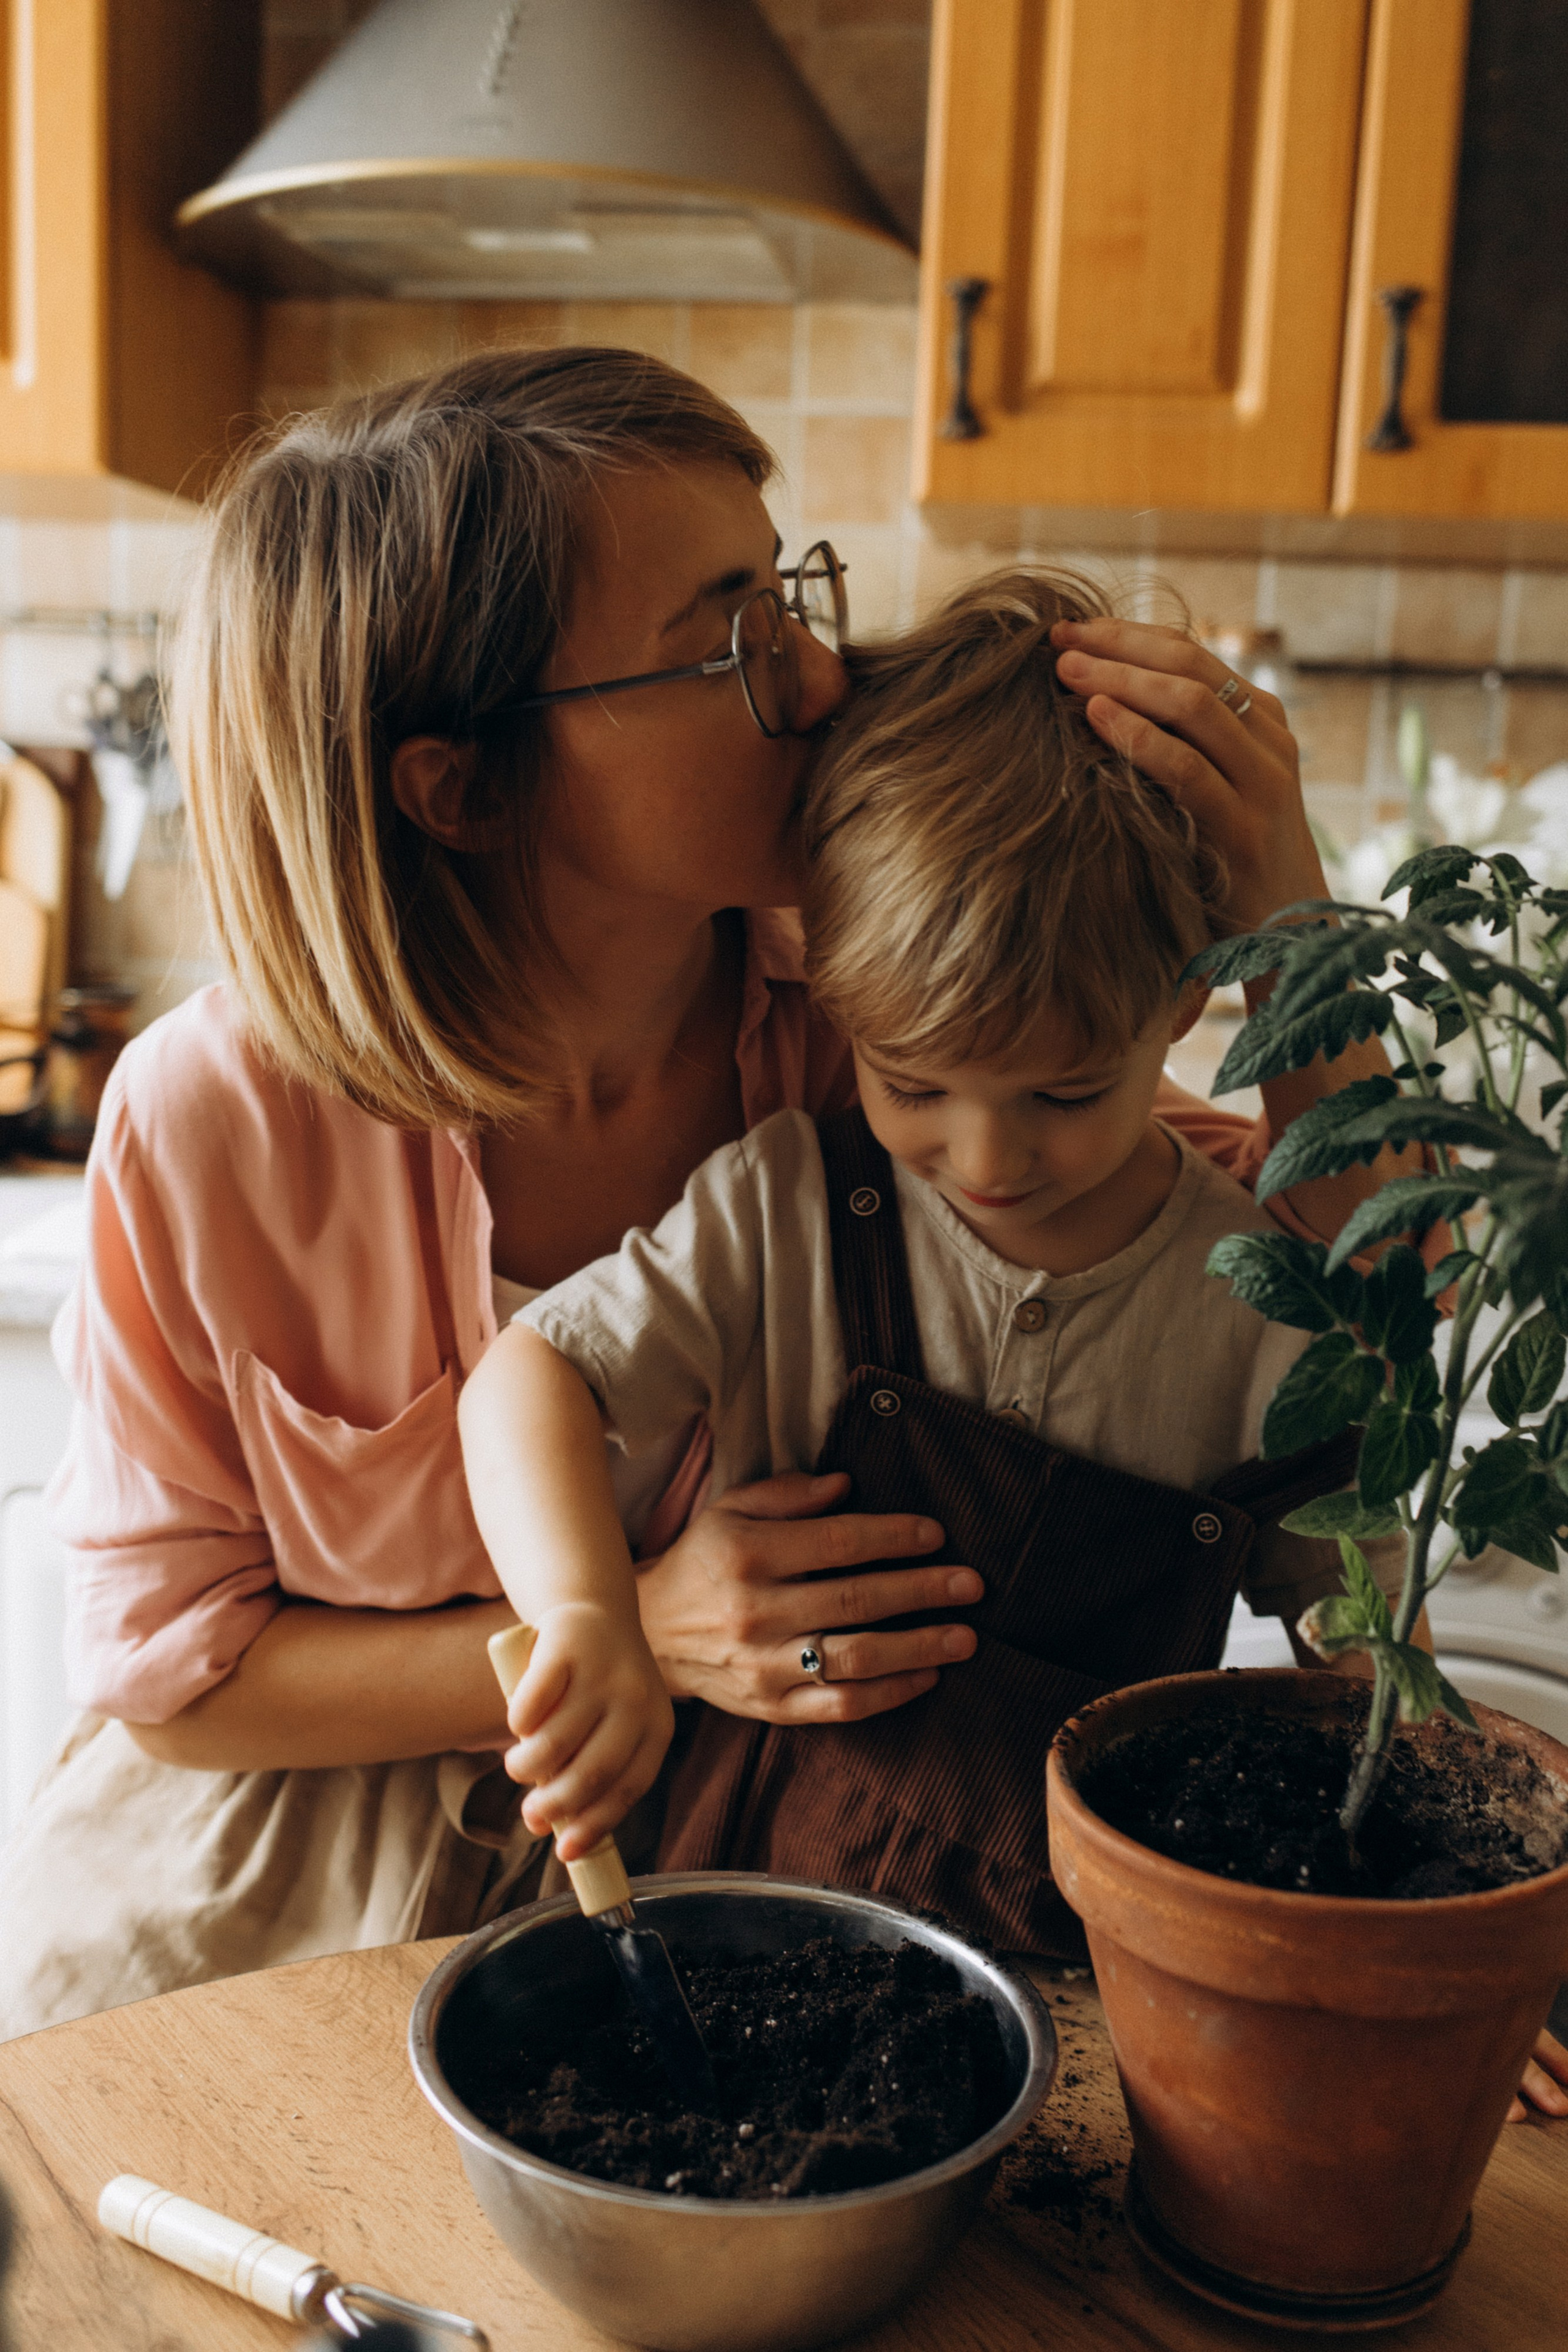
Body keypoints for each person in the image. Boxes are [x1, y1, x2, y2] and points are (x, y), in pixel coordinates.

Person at [2, 345, 1548, 2094]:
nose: (820, 674)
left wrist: (1293, 929)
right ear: (465, 785)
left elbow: (1347, 1298)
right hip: (261, 1899)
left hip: (729, 1876)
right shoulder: (213, 1120)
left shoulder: (866, 1030)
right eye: (732, 634)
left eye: (788, 591)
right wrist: (629, 1627)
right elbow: (174, 1679)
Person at [456, 567, 1407, 1949]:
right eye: (912, 1084)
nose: (984, 1158)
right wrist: (589, 1612)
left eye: (1064, 1094)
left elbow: (1364, 1655)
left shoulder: (1262, 1301)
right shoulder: (781, 1206)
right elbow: (528, 1377)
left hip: (1096, 1961)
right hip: (741, 1910)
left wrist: (1420, 1934)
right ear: (835, 992)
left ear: (1189, 998)